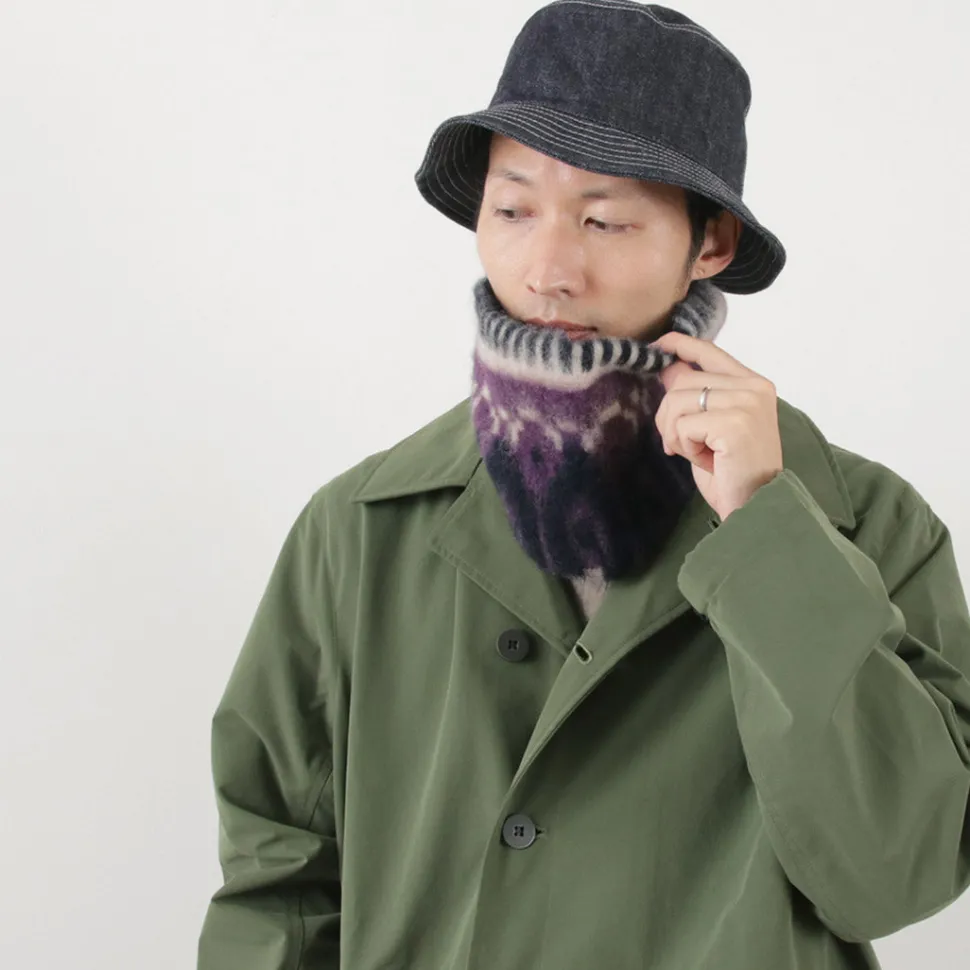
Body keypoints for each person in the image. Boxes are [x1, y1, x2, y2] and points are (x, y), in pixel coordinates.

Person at [196, 3, 970, 968]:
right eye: (513, 210)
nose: (548, 269)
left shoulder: (866, 525)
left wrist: (768, 533)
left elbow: (897, 875)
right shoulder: (359, 529)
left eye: (603, 219)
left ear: (711, 243)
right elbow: (278, 884)